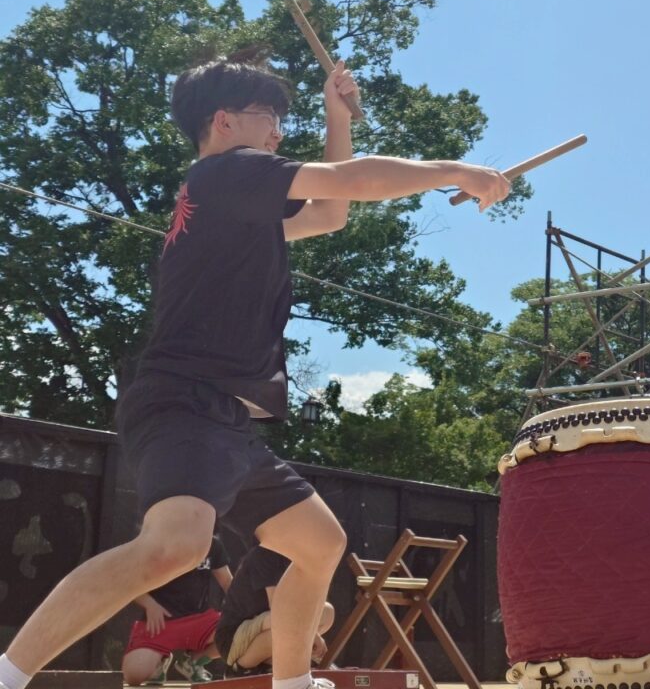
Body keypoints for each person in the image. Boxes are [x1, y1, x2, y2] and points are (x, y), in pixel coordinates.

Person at [0, 56, 509, 689]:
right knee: (174, 548)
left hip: (224, 417)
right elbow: (350, 181)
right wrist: (454, 169)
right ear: (224, 121)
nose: (277, 132)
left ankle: (292, 683)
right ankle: (8, 675)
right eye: (268, 116)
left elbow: (331, 210)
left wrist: (337, 118)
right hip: (185, 401)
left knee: (319, 544)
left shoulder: (230, 202)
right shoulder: (225, 173)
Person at [122, 535, 232, 685]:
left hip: (200, 620)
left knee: (238, 631)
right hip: (160, 622)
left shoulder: (212, 543)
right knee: (134, 675)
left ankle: (193, 661)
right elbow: (130, 580)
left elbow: (227, 582)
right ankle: (159, 663)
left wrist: (243, 610)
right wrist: (150, 604)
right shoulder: (157, 539)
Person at [214, 545, 334, 677]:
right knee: (285, 625)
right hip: (233, 638)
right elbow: (277, 608)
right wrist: (312, 635)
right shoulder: (265, 553)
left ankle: (271, 663)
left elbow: (307, 606)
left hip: (268, 625)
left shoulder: (299, 559)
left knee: (326, 612)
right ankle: (241, 669)